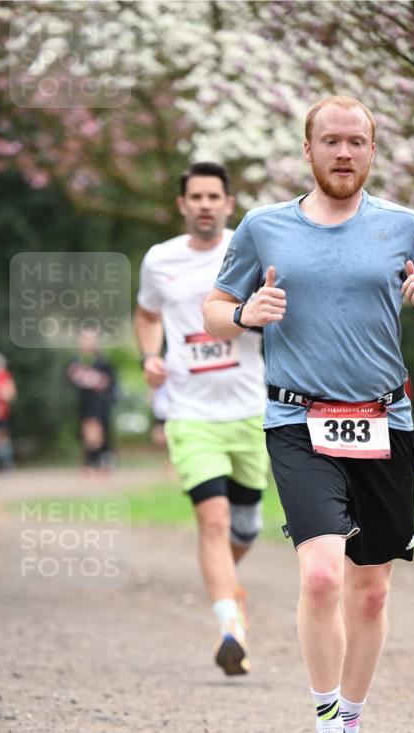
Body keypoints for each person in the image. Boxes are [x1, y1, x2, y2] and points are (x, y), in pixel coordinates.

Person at [204, 96, 414, 733]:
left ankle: (350, 731)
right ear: (308, 150)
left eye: (356, 141)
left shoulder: (403, 226)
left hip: (384, 423)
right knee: (320, 575)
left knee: (371, 593)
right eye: (330, 141)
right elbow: (213, 310)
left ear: (371, 151)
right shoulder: (264, 227)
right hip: (298, 422)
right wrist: (242, 314)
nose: (343, 152)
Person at [135, 162, 268, 677]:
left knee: (245, 525)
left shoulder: (251, 250)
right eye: (197, 196)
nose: (206, 204)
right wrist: (151, 356)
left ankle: (229, 591)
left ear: (229, 204)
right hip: (189, 410)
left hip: (251, 409)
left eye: (215, 196)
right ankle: (229, 627)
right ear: (183, 205)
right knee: (211, 518)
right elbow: (147, 316)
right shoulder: (160, 260)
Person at [66, 326, 118, 474]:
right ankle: (92, 462)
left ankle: (101, 461)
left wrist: (98, 381)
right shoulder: (75, 362)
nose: (87, 341)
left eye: (91, 338)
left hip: (101, 403)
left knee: (98, 432)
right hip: (85, 403)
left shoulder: (104, 362)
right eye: (84, 337)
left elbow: (111, 384)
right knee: (88, 432)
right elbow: (68, 381)